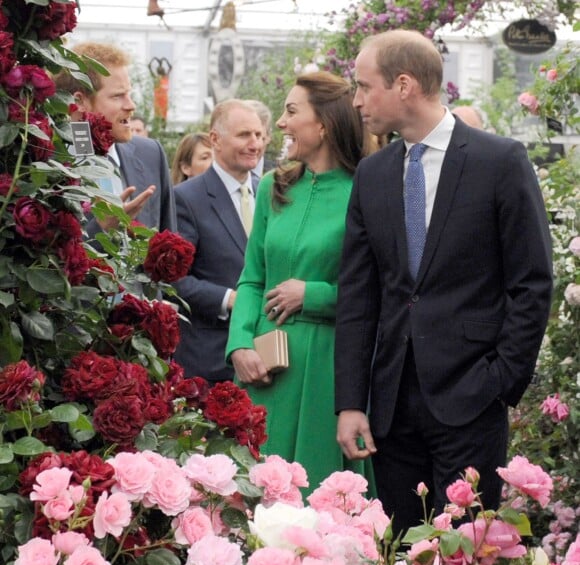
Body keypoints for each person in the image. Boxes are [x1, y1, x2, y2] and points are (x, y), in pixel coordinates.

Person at [334, 30, 553, 536]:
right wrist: (351, 402)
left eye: (365, 86)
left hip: (472, 397)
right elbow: (359, 296)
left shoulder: (500, 162)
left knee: (467, 550)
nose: (358, 100)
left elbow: (532, 282)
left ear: (404, 85)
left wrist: (500, 381)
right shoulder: (372, 174)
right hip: (391, 406)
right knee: (401, 554)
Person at [226, 71, 375, 494]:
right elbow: (252, 278)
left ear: (324, 123)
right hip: (263, 370)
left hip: (327, 372)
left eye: (291, 111)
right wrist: (238, 344)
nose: (280, 123)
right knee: (250, 500)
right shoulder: (275, 186)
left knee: (317, 503)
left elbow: (381, 290)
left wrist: (313, 294)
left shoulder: (365, 189)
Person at [173, 100, 263, 382]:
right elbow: (174, 280)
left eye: (259, 135)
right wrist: (229, 299)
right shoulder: (186, 198)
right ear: (215, 139)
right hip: (210, 362)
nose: (255, 144)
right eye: (244, 135)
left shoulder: (272, 195)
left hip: (266, 356)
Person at [54, 42, 176, 235]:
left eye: (129, 94)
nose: (131, 105)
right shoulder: (48, 165)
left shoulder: (151, 154)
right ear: (79, 102)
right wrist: (100, 229)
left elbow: (167, 241)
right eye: (118, 96)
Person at [245, 99, 275, 177]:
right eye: (245, 136)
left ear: (269, 137)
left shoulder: (281, 175)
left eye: (259, 137)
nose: (254, 146)